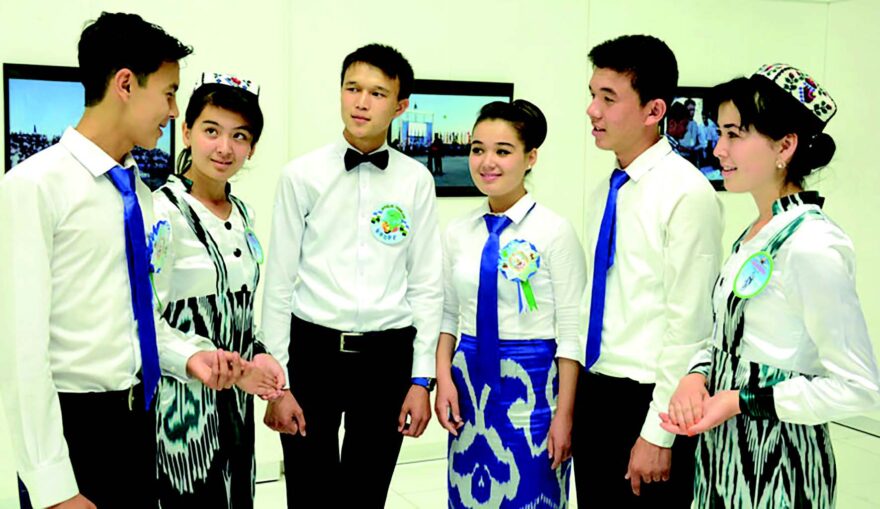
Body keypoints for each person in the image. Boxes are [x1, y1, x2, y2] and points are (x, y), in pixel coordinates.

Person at [0, 12, 247, 509]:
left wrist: (187, 356)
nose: (173, 111)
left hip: (138, 420)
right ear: (126, 84)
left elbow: (141, 315)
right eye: (169, 93)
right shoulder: (34, 187)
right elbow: (18, 349)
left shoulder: (139, 194)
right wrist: (53, 486)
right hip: (73, 430)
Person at [661, 64, 880, 509]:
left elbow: (859, 386)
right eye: (719, 133)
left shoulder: (813, 244)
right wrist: (696, 374)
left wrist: (744, 401)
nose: (718, 149)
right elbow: (727, 338)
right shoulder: (756, 233)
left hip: (780, 465)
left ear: (785, 145)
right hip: (722, 457)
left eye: (734, 134)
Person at [260, 43, 443, 508]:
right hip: (312, 352)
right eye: (352, 88)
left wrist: (421, 379)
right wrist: (279, 384)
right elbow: (278, 281)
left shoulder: (416, 180)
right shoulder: (301, 175)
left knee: (367, 493)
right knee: (308, 492)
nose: (361, 102)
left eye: (377, 93)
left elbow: (426, 284)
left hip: (387, 357)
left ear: (400, 106)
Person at [572, 34, 723, 508]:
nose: (592, 110)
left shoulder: (687, 194)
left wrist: (659, 432)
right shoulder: (607, 189)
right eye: (592, 95)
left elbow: (691, 326)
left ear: (654, 110)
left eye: (608, 98)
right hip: (596, 392)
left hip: (649, 401)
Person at [435, 100, 585, 508]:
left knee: (532, 493)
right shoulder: (457, 232)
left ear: (530, 157)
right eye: (477, 149)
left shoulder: (555, 231)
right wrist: (443, 379)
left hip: (534, 387)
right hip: (468, 384)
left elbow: (572, 332)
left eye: (502, 151)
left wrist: (565, 415)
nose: (487, 162)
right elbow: (448, 315)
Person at [151, 72, 284, 508]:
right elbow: (144, 320)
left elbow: (240, 307)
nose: (225, 148)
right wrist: (195, 359)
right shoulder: (160, 211)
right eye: (211, 131)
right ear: (187, 132)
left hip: (236, 409)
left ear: (252, 147)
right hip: (182, 408)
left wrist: (259, 352)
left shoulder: (242, 213)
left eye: (239, 136)